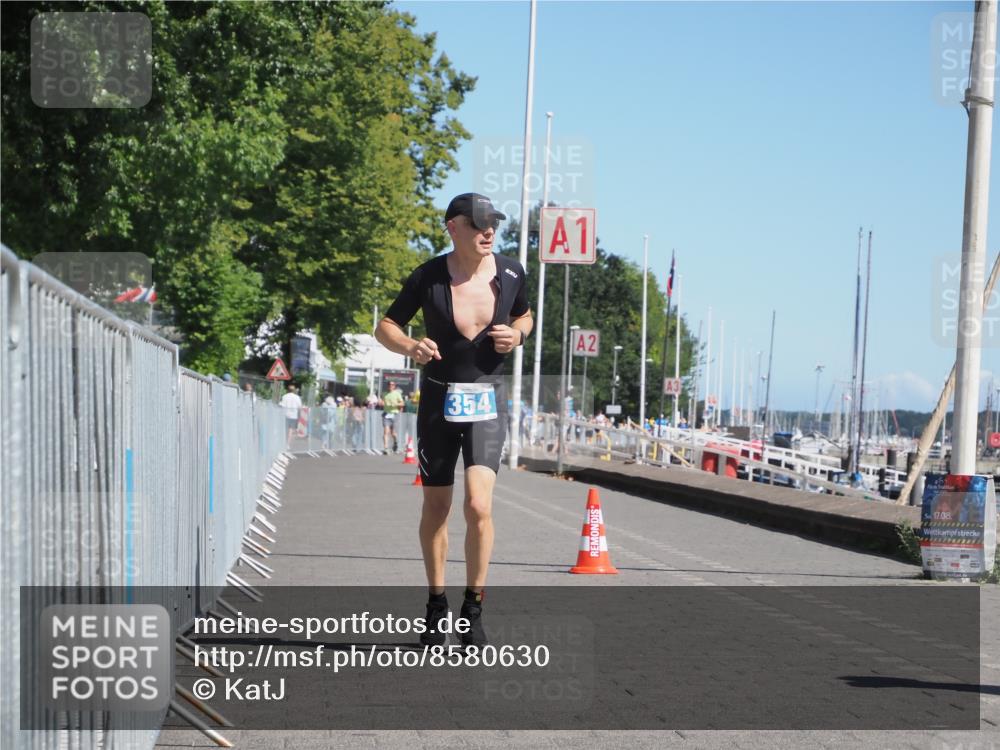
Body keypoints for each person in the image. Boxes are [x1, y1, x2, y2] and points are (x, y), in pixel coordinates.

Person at [374, 193, 532, 648]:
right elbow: (385, 327)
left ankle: (473, 609)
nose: (489, 231)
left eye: (493, 223)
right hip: (438, 402)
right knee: (437, 508)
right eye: (479, 223)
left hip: (487, 400)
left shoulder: (511, 273)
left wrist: (517, 335)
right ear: (454, 227)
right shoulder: (427, 277)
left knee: (479, 505)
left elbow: (524, 315)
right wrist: (411, 347)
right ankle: (436, 602)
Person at [380, 380, 405, 453]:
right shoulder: (384, 394)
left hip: (394, 414)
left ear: (394, 386)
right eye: (389, 384)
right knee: (386, 431)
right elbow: (382, 402)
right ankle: (386, 448)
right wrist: (381, 403)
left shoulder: (397, 394)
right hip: (386, 414)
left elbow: (402, 403)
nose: (390, 386)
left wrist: (396, 404)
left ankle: (395, 442)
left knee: (393, 433)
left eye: (392, 385)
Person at [280, 384, 303, 448]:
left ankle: (283, 443)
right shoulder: (297, 397)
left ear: (288, 390)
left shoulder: (284, 396)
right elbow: (299, 407)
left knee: (285, 429)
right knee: (290, 430)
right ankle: (287, 444)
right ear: (294, 390)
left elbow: (282, 405)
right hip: (293, 416)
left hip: (285, 414)